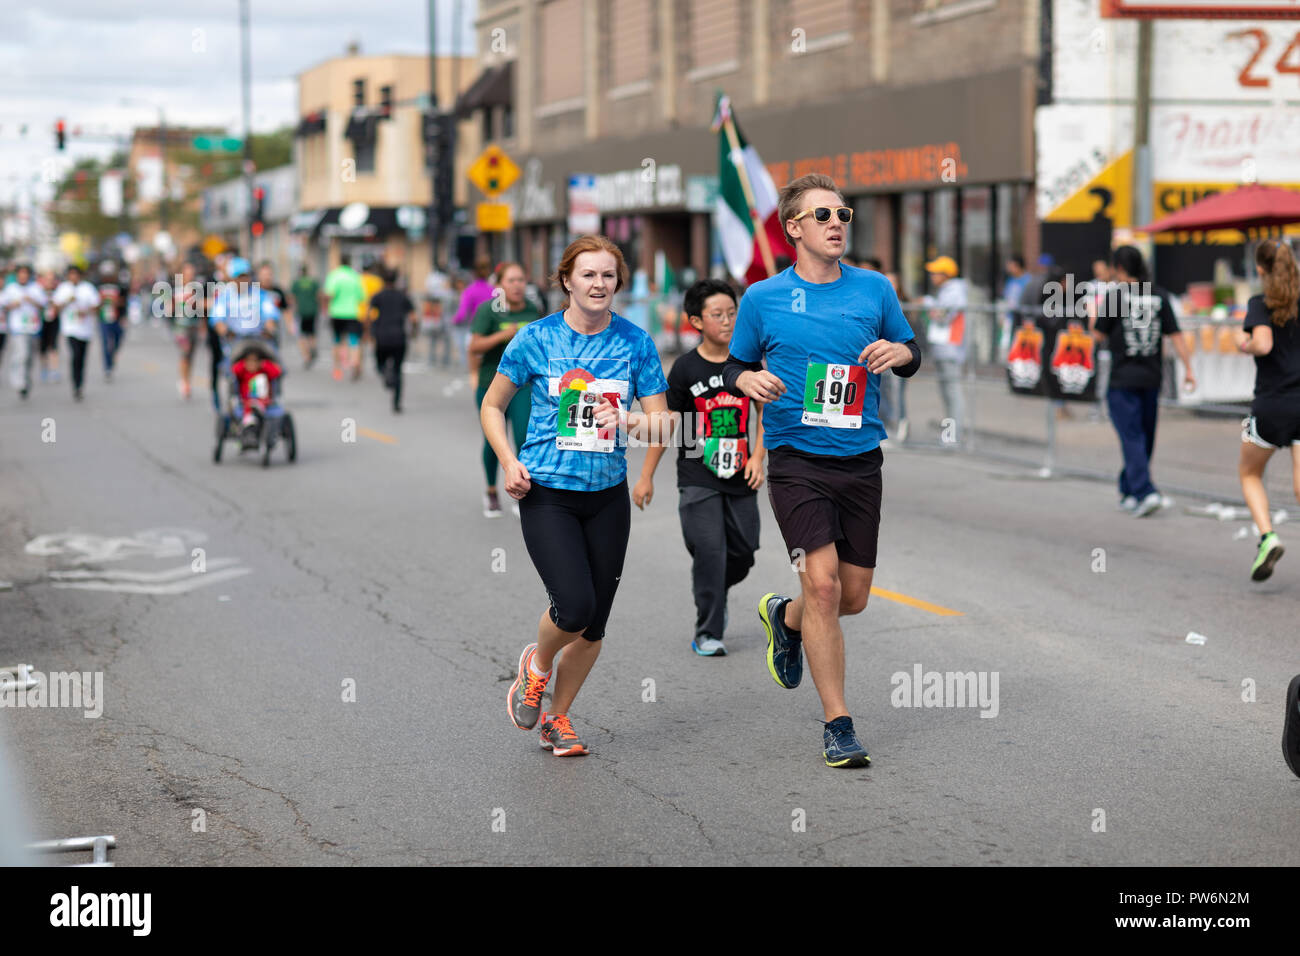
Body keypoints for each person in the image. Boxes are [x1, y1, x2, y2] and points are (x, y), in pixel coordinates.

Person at [724, 173, 921, 769]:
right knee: (825, 585)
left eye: (844, 214)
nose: (837, 223)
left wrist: (902, 353)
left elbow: (912, 352)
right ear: (794, 229)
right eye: (824, 215)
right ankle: (838, 724)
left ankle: (783, 618)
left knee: (852, 598)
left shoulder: (873, 289)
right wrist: (746, 379)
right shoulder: (762, 298)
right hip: (796, 461)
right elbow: (735, 365)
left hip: (860, 460)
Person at [482, 235, 671, 757]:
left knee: (595, 625)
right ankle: (536, 667)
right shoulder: (535, 338)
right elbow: (492, 405)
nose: (599, 284)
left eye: (608, 275)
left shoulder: (636, 342)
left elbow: (665, 425)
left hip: (606, 495)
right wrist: (507, 461)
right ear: (567, 280)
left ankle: (557, 719)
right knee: (574, 607)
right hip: (546, 491)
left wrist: (631, 419)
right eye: (588, 274)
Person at [633, 277, 764, 657]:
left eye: (732, 313)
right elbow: (665, 424)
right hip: (696, 473)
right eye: (717, 314)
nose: (727, 321)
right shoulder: (685, 369)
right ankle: (708, 630)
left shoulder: (748, 363)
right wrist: (645, 477)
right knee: (709, 550)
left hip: (741, 473)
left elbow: (765, 412)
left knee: (744, 550)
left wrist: (759, 457)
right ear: (695, 322)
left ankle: (716, 591)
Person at [1092, 245, 1195, 518]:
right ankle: (1133, 489)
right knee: (1142, 437)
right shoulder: (1159, 296)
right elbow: (1176, 336)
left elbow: (1099, 335)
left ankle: (1140, 491)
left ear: (1119, 268)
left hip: (1122, 379)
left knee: (1134, 437)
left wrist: (1094, 314)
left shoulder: (1115, 296)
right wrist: (1188, 368)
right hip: (1151, 377)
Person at [1235, 239, 1300, 581]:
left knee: (1249, 473)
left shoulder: (1260, 304)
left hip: (1273, 404)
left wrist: (1242, 344)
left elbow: (1263, 343)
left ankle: (1267, 537)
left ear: (1260, 269)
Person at [469, 262, 541, 516]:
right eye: (511, 280)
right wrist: (503, 336)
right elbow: (474, 347)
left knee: (523, 438)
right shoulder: (489, 311)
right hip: (491, 385)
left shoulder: (533, 310)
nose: (517, 285)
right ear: (499, 285)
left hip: (523, 387)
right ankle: (491, 491)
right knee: (494, 441)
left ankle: (521, 491)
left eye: (521, 280)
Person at [923, 255, 967, 445]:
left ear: (945, 274)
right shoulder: (947, 291)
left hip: (950, 348)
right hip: (945, 348)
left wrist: (928, 303)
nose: (932, 276)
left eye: (935, 272)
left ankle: (953, 436)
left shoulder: (953, 291)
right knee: (948, 393)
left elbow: (942, 315)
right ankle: (950, 435)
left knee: (952, 393)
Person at [366, 267, 415, 413]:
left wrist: (368, 331)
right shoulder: (403, 296)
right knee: (398, 370)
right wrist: (414, 331)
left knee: (380, 364)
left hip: (381, 336)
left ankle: (386, 374)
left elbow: (368, 315)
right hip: (399, 337)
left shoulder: (378, 296)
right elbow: (413, 317)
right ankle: (396, 403)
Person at [53, 264, 101, 401]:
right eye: (71, 274)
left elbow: (96, 307)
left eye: (76, 274)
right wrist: (67, 301)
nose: (73, 277)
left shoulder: (88, 288)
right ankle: (75, 385)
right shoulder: (63, 289)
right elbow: (55, 308)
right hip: (70, 329)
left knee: (81, 357)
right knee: (75, 355)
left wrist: (86, 311)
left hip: (85, 330)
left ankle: (80, 384)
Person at [2, 265, 48, 400]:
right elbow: (4, 306)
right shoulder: (11, 289)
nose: (23, 276)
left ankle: (26, 381)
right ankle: (18, 381)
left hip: (32, 327)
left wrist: (31, 301)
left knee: (29, 358)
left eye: (26, 273)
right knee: (21, 354)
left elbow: (43, 305)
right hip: (17, 328)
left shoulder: (35, 288)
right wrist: (13, 305)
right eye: (21, 273)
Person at [230, 345, 283, 443]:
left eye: (255, 361)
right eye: (249, 361)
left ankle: (256, 420)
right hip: (246, 401)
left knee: (259, 405)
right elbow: (234, 370)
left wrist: (264, 364)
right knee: (248, 407)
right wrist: (243, 364)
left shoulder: (264, 371)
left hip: (263, 400)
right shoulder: (243, 372)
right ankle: (248, 426)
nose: (252, 364)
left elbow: (277, 372)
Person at [323, 258, 365, 381]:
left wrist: (326, 307)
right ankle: (355, 363)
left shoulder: (334, 275)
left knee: (337, 341)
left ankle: (337, 368)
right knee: (354, 341)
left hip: (337, 313)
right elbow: (361, 297)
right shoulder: (355, 276)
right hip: (352, 312)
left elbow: (330, 294)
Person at [455, 257, 495, 372]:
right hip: (492, 334)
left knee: (475, 373)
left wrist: (455, 320)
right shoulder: (494, 290)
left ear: (473, 273)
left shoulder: (469, 291)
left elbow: (462, 314)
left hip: (476, 335)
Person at [172, 261, 204, 400]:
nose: (190, 276)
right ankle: (184, 382)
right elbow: (170, 309)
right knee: (185, 354)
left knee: (191, 356)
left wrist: (202, 326)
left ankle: (186, 380)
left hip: (193, 326)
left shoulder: (197, 290)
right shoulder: (176, 290)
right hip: (181, 328)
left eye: (192, 273)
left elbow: (201, 310)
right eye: (187, 273)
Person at [96, 260, 127, 381]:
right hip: (103, 319)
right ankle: (107, 366)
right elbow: (94, 303)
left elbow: (124, 302)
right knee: (105, 343)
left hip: (116, 318)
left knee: (117, 340)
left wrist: (122, 312)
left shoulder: (120, 286)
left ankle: (112, 356)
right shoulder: (98, 287)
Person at [290, 266, 320, 369]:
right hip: (312, 310)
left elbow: (292, 298)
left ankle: (307, 356)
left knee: (301, 335)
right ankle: (313, 347)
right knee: (312, 332)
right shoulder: (313, 282)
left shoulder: (296, 283)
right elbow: (318, 295)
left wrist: (293, 310)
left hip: (301, 311)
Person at [37, 269, 61, 383]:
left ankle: (54, 369)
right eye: (47, 279)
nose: (49, 282)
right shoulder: (38, 291)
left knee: (53, 346)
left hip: (54, 321)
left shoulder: (58, 292)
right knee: (42, 347)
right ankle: (44, 368)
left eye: (52, 279)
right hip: (41, 321)